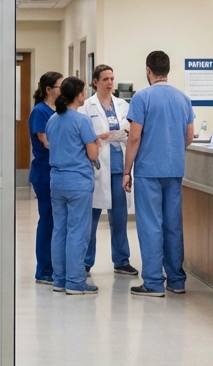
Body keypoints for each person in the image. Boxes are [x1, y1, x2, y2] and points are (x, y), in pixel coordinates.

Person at [123, 51, 196, 297]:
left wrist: (126, 171)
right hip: (174, 170)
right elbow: (188, 137)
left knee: (150, 225)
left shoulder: (142, 98)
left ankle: (153, 282)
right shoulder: (183, 98)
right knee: (173, 225)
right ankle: (176, 280)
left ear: (148, 70)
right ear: (168, 70)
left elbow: (134, 137)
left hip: (148, 171)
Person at [45, 77, 101, 295]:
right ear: (78, 95)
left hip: (57, 181)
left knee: (59, 230)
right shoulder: (82, 120)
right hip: (78, 182)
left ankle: (59, 279)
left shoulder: (52, 120)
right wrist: (97, 143)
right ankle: (76, 281)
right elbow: (92, 154)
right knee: (78, 231)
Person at [79, 65, 135, 276]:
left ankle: (121, 260)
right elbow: (85, 136)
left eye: (112, 78)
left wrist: (123, 133)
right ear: (95, 82)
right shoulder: (86, 106)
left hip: (120, 167)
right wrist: (101, 136)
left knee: (119, 217)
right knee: (91, 218)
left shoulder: (122, 105)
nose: (110, 83)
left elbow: (131, 129)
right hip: (98, 168)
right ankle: (86, 261)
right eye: (105, 79)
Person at [28, 71, 62, 285]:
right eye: (60, 86)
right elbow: (46, 142)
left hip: (57, 172)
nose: (63, 90)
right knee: (48, 220)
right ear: (49, 90)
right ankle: (44, 270)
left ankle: (55, 265)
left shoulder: (58, 110)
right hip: (44, 172)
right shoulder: (40, 112)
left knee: (57, 221)